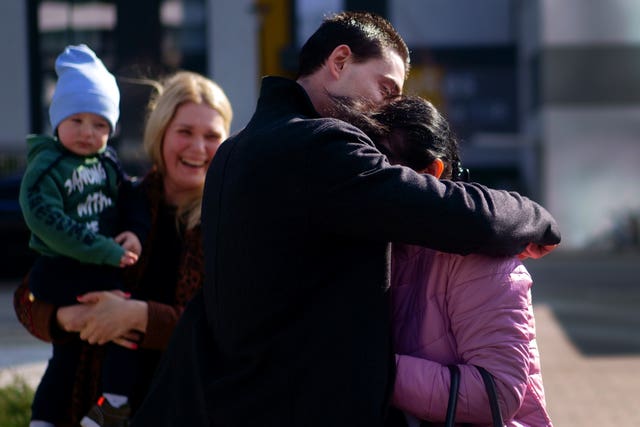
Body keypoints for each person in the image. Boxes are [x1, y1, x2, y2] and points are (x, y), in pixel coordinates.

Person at [133, 11, 560, 427]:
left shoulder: (234, 151)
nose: (386, 110)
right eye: (386, 88)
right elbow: (448, 213)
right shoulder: (318, 144)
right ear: (339, 62)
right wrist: (534, 216)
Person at [14, 70, 233, 427]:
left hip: (188, 410)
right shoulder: (112, 201)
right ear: (160, 134)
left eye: (212, 136)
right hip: (88, 410)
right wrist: (62, 318)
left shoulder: (231, 222)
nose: (198, 148)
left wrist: (140, 317)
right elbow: (27, 295)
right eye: (185, 132)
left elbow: (233, 330)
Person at [339, 96, 553, 426]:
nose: (369, 183)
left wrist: (368, 368)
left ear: (431, 173)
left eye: (383, 169)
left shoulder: (480, 258)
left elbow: (496, 394)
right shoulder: (378, 244)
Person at [18, 44, 149, 427]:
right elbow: (46, 220)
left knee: (123, 336)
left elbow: (132, 199)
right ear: (57, 120)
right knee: (66, 357)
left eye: (101, 124)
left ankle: (112, 404)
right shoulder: (48, 164)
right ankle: (45, 419)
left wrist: (135, 234)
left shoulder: (107, 163)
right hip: (61, 271)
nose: (89, 133)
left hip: (101, 270)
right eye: (77, 120)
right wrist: (106, 250)